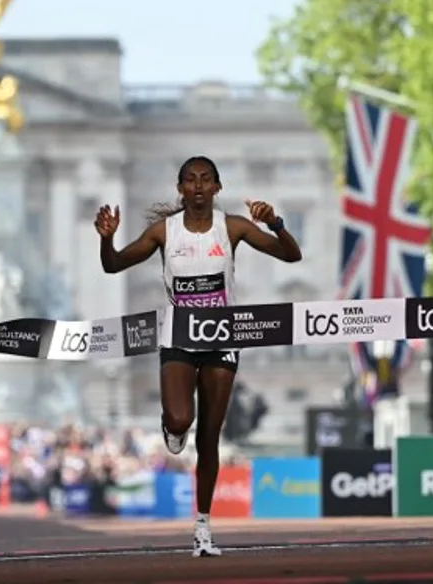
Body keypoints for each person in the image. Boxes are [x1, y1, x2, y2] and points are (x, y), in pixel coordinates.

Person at [94, 156, 301, 557]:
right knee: (180, 419)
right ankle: (173, 428)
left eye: (207, 179)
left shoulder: (233, 227)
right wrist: (107, 239)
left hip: (222, 339)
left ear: (217, 187)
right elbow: (113, 265)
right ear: (181, 189)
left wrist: (275, 224)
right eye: (191, 180)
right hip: (180, 337)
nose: (199, 185)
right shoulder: (164, 231)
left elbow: (291, 256)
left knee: (209, 437)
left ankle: (203, 526)